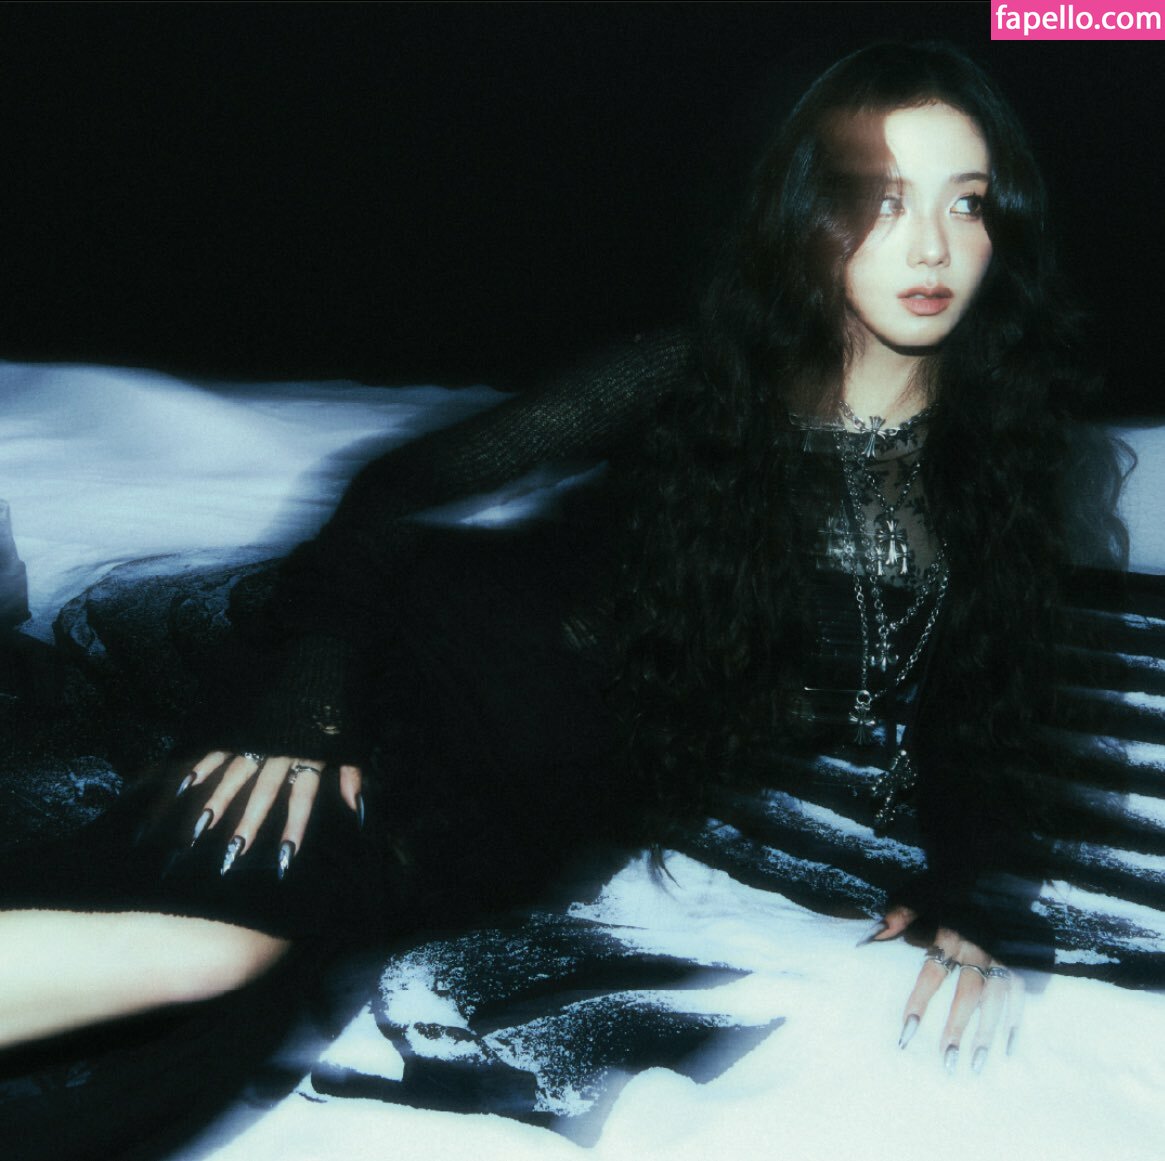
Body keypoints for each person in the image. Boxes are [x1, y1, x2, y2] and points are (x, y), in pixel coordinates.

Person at [0, 38, 1133, 1154]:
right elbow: (399, 489)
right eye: (880, 202)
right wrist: (311, 701)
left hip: (537, 809)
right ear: (807, 215)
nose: (931, 245)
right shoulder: (695, 373)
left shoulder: (1010, 463)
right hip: (425, 682)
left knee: (209, 1033)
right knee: (206, 948)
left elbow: (978, 704)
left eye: (966, 202)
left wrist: (971, 891)